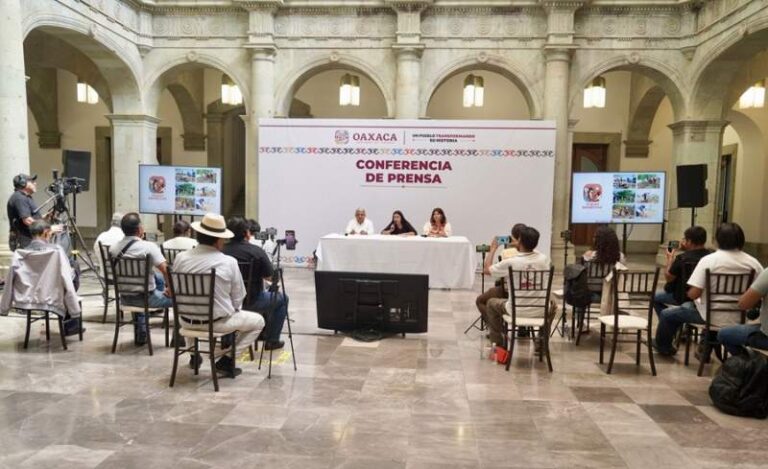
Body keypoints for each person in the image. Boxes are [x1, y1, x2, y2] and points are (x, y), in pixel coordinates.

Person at [173, 213, 266, 377]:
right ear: (218, 240)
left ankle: (194, 354)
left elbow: (175, 288)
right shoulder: (228, 262)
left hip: (185, 320)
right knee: (258, 321)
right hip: (216, 323)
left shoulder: (180, 258)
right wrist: (232, 310)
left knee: (192, 307)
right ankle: (227, 360)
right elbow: (238, 297)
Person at [653, 223, 763, 356]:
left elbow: (694, 294)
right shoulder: (753, 263)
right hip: (740, 316)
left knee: (667, 314)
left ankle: (664, 347)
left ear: (717, 240)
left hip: (709, 315)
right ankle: (708, 344)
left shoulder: (709, 260)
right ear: (741, 240)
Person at [222, 216, 286, 350]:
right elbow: (270, 277)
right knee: (283, 299)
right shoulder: (256, 251)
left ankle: (227, 339)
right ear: (247, 233)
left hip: (224, 302)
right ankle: (272, 340)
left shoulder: (220, 251)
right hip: (252, 301)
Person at [9, 220, 83, 335]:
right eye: (50, 235)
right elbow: (67, 277)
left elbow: (10, 281)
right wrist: (74, 310)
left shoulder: (20, 253)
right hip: (52, 296)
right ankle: (71, 322)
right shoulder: (56, 250)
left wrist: (4, 306)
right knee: (73, 269)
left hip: (27, 296)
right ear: (46, 233)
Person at [109, 213, 172, 346]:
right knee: (180, 299)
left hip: (124, 298)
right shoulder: (148, 247)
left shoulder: (113, 248)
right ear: (139, 229)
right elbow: (165, 270)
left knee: (149, 282)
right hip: (147, 299)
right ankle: (178, 338)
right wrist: (170, 289)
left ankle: (141, 332)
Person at [483, 226, 550, 346]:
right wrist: (520, 244)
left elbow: (487, 270)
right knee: (553, 305)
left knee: (491, 303)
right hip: (540, 310)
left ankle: (498, 344)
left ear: (519, 241)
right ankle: (541, 344)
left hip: (516, 310)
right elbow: (533, 253)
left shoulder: (511, 262)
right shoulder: (544, 260)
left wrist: (493, 248)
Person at [475, 223, 527, 328]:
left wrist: (493, 248)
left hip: (509, 293)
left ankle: (497, 328)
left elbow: (487, 270)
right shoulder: (540, 258)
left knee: (481, 300)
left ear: (513, 238)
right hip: (530, 293)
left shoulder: (507, 254)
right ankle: (524, 329)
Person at [653, 226, 711, 317]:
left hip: (683, 296)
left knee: (654, 297)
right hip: (705, 297)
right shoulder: (710, 257)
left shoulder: (682, 258)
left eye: (685, 239)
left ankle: (668, 320)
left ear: (689, 241)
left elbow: (669, 278)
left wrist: (669, 259)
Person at [718, 269, 768, 355]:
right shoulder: (754, 263)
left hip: (765, 337)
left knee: (724, 334)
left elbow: (743, 304)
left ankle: (750, 362)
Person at [7, 173, 41, 250]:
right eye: (32, 182)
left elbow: (32, 217)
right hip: (25, 242)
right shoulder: (19, 198)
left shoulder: (26, 197)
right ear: (23, 183)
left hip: (29, 241)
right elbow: (27, 220)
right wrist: (48, 229)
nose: (35, 183)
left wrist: (46, 216)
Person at [93, 212, 125, 276]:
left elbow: (97, 254)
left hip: (105, 276)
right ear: (123, 224)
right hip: (121, 276)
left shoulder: (101, 237)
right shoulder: (124, 238)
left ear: (111, 223)